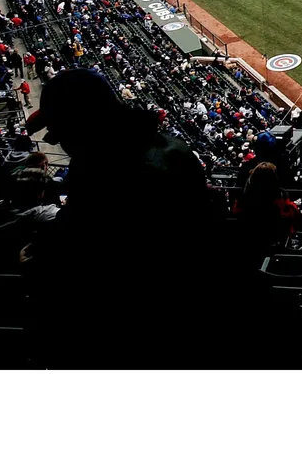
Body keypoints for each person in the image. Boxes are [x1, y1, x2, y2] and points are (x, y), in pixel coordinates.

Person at [22, 69, 213, 368]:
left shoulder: (104, 174)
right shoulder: (165, 147)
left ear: (85, 126)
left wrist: (46, 251)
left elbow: (98, 264)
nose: (64, 145)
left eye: (64, 134)